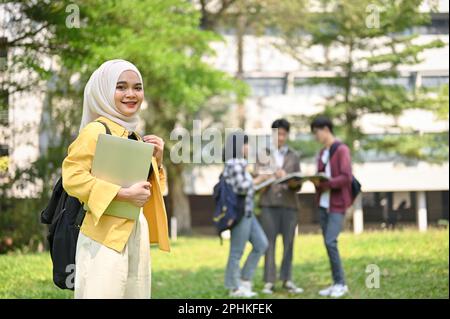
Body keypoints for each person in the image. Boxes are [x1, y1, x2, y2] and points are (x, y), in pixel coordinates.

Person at [62, 59, 170, 299]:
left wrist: (158, 162)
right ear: (103, 90)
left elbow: (153, 193)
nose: (131, 94)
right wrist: (122, 194)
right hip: (103, 236)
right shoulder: (96, 131)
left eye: (137, 87)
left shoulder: (136, 137)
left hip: (135, 233)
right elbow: (72, 176)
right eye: (121, 87)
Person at [256, 119, 304, 295]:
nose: (281, 137)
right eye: (278, 134)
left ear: (287, 135)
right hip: (268, 204)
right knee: (269, 244)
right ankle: (269, 281)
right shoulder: (263, 154)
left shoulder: (294, 156)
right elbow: (257, 180)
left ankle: (287, 279)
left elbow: (298, 184)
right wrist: (270, 176)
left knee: (289, 243)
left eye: (284, 134)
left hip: (289, 205)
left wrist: (289, 179)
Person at [310, 115, 352, 298]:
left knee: (330, 241)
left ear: (326, 129)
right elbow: (321, 175)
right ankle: (336, 282)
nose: (316, 137)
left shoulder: (341, 150)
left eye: (317, 133)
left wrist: (328, 183)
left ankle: (341, 284)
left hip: (337, 204)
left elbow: (346, 177)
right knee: (328, 244)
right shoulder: (322, 153)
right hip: (323, 204)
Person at [223, 132, 269, 298]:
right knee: (237, 251)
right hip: (239, 214)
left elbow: (247, 187)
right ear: (238, 146)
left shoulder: (240, 164)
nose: (248, 148)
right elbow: (242, 187)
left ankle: (244, 280)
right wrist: (258, 180)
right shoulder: (233, 163)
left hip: (248, 213)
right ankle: (234, 288)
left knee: (261, 244)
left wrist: (260, 180)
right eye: (246, 144)